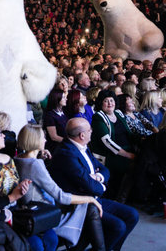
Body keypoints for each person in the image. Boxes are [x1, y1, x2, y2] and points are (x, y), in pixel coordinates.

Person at [0, 120, 57, 251]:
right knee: (36, 245)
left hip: (19, 212)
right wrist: (11, 197)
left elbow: (14, 186)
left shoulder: (8, 159)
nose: (4, 135)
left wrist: (22, 187)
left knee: (51, 237)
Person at [50, 117, 138, 251]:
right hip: (80, 206)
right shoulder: (66, 153)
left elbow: (104, 170)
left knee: (132, 215)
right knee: (118, 226)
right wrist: (101, 186)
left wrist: (98, 177)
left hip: (94, 199)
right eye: (89, 129)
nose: (92, 131)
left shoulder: (82, 146)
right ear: (82, 135)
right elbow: (90, 186)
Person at [15, 124, 105, 251]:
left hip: (29, 209)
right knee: (89, 209)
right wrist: (90, 199)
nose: (45, 140)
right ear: (35, 141)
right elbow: (60, 196)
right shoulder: (35, 164)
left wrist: (40, 158)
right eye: (42, 137)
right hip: (44, 212)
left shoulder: (18, 159)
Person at [90, 90, 136, 199]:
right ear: (101, 103)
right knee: (133, 165)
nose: (110, 103)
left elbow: (130, 131)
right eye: (106, 101)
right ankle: (121, 197)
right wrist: (127, 155)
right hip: (110, 155)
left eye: (111, 100)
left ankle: (133, 196)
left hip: (127, 149)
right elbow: (107, 142)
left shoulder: (118, 113)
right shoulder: (98, 117)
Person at [43, 89, 68, 153]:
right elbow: (54, 137)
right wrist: (69, 142)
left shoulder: (63, 112)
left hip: (64, 146)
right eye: (63, 97)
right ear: (57, 98)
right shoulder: (49, 115)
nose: (66, 99)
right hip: (56, 149)